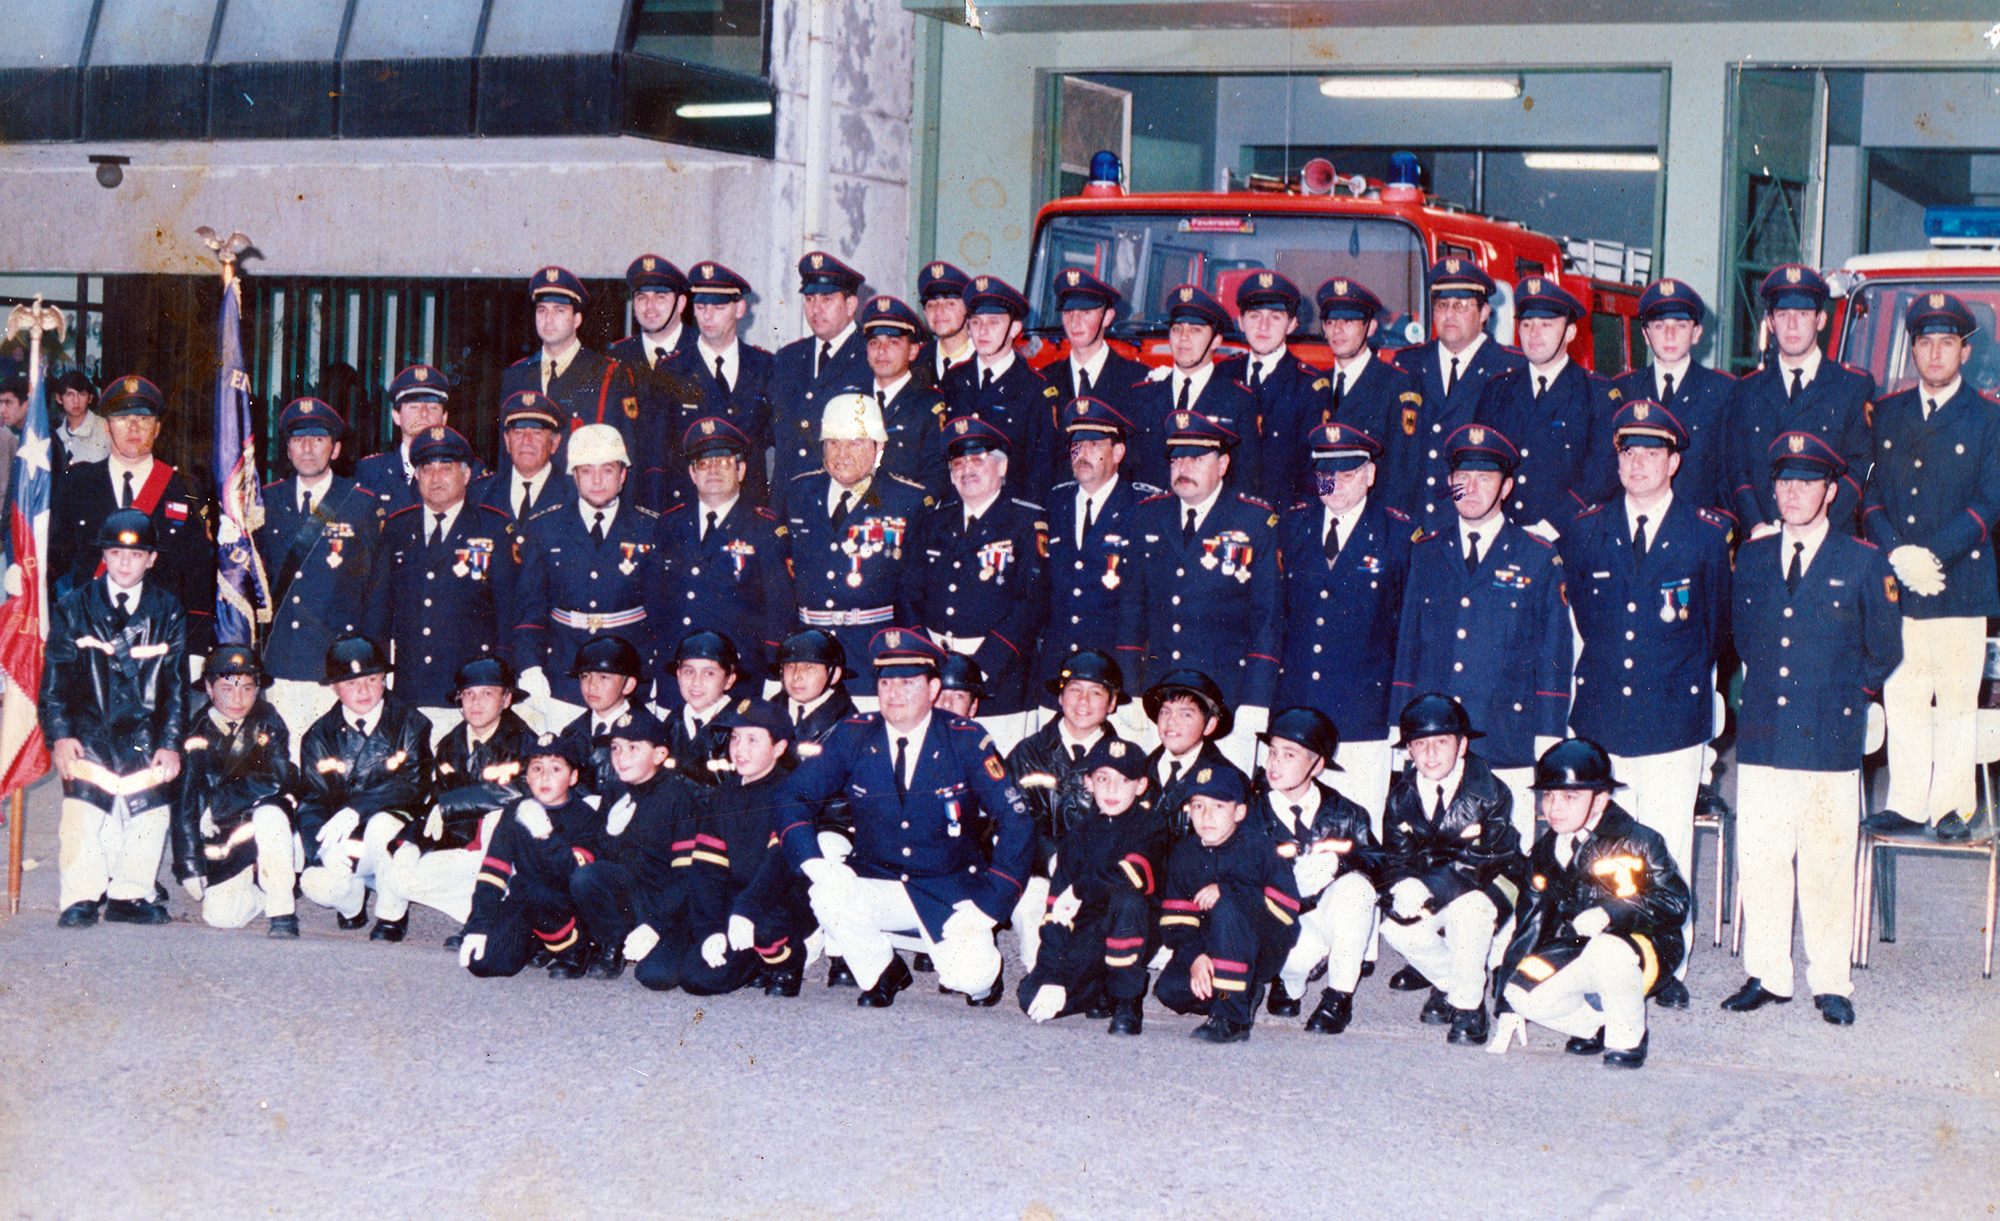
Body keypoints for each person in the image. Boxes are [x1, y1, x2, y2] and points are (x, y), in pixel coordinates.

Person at [1559, 400, 1733, 1007]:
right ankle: (1599, 956)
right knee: (1602, 848)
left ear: (1674, 461)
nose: (1637, 463)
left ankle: (1666, 966)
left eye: (1651, 452)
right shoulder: (1584, 531)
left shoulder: (1707, 534)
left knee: (1666, 848)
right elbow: (1584, 618)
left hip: (1671, 718)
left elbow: (1715, 631)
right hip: (1603, 716)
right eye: (1628, 452)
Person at [1725, 432, 1901, 1027]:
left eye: (1807, 482)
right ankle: (1769, 972)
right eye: (1784, 481)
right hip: (1765, 734)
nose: (1794, 492)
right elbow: (1741, 637)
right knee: (1763, 858)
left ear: (1830, 491)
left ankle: (1830, 980)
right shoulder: (1750, 557)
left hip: (1829, 735)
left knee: (1828, 861)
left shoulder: (1862, 560)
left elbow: (1884, 649)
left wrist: (1848, 697)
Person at [776, 629, 1035, 1008]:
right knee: (826, 892)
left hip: (949, 889)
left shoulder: (965, 739)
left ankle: (982, 977)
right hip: (877, 878)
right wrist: (814, 862)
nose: (894, 694)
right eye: (885, 683)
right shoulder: (854, 735)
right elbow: (792, 795)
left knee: (971, 980)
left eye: (908, 683)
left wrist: (990, 905)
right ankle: (882, 971)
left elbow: (1016, 821)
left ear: (933, 690)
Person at [1861, 291, 2000, 843]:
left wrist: (1931, 554)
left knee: (1957, 703)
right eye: (1925, 343)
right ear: (1913, 350)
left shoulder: (1989, 418)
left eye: (1947, 344)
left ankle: (1953, 809)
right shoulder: (1888, 413)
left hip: (1959, 581)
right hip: (1898, 581)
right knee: (1905, 696)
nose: (1936, 354)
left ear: (1965, 353)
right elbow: (1868, 492)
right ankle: (1908, 801)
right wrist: (1897, 551)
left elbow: (1991, 502)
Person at [1393, 423, 1570, 842]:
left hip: (1504, 738)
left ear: (1506, 486)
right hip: (1432, 742)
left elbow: (1553, 654)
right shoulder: (1427, 552)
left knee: (1507, 860)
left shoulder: (1536, 556)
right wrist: (1397, 728)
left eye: (1485, 478)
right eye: (1461, 479)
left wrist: (1547, 737)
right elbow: (1408, 643)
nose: (1470, 489)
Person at [1491, 739, 1691, 1069]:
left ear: (1601, 798)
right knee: (1519, 993)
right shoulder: (1544, 853)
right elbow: (1529, 928)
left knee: (1608, 950)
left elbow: (1675, 902)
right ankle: (1595, 1025)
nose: (1554, 807)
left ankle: (1627, 1038)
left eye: (1570, 797)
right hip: (1579, 947)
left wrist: (1612, 911)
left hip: (1646, 946)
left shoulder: (1638, 839)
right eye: (1549, 795)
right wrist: (1507, 1006)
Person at [43, 509, 189, 928]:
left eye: (136, 554)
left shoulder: (168, 611)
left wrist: (170, 743)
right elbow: (53, 682)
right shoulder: (74, 608)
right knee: (82, 815)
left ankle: (130, 894)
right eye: (115, 553)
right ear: (103, 556)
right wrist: (60, 735)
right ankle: (80, 897)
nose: (125, 563)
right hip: (90, 733)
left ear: (151, 559)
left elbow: (176, 686)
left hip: (145, 736)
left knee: (150, 814)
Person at [1118, 410, 1280, 772]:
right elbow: (1132, 610)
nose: (1182, 467)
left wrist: (1256, 700)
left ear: (1223, 464)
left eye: (1196, 457)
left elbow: (1267, 619)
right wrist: (1130, 687)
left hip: (1224, 698)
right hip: (1158, 698)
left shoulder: (1254, 521)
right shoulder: (1148, 515)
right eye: (1176, 458)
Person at [1275, 421, 1411, 824]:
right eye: (1324, 474)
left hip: (1362, 713)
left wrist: (1395, 715)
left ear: (1370, 475)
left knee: (1361, 829)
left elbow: (1406, 631)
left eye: (1346, 474)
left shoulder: (1399, 535)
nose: (1333, 485)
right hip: (1297, 707)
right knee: (1291, 824)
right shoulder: (1291, 526)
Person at [1375, 693, 1523, 1046]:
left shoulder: (1491, 792)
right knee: (1396, 929)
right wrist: (1402, 887)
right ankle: (1449, 984)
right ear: (1408, 750)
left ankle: (1469, 1008)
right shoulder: (1400, 797)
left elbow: (1487, 857)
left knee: (1468, 913)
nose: (1430, 754)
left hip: (1490, 883)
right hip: (1434, 886)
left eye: (1441, 742)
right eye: (1419, 744)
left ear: (1462, 745)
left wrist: (1427, 888)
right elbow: (1397, 857)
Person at [903, 416, 1049, 752]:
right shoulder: (934, 523)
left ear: (1002, 467)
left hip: (998, 681)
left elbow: (1031, 605)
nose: (967, 469)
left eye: (978, 460)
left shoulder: (1026, 522)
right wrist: (928, 663)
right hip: (938, 678)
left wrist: (982, 668)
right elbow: (908, 596)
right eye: (958, 463)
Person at [644, 697, 809, 996]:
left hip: (777, 899)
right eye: (734, 738)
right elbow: (707, 870)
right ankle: (752, 960)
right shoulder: (723, 794)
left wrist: (745, 911)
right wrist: (709, 930)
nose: (739, 750)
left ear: (779, 748)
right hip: (734, 903)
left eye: (752, 740)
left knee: (768, 926)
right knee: (696, 979)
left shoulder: (790, 793)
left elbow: (777, 867)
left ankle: (786, 963)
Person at [782, 391, 936, 702]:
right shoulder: (798, 492)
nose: (842, 454)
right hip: (807, 659)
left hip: (870, 658)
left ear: (879, 447)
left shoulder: (907, 500)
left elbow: (914, 593)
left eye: (855, 442)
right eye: (834, 442)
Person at [255, 396, 389, 751]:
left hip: (335, 666)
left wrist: (365, 665)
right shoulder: (265, 502)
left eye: (318, 439)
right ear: (288, 449)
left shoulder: (360, 504)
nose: (308, 449)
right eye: (299, 440)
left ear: (335, 448)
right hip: (279, 662)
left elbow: (375, 591)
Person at [372, 657, 537, 945]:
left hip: (510, 848)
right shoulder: (450, 745)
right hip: (462, 842)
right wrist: (411, 842)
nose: (476, 703)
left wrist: (452, 805)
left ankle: (482, 921)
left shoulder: (524, 741)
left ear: (506, 699)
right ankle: (396, 917)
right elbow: (436, 800)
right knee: (400, 872)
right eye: (468, 694)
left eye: (487, 693)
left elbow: (525, 789)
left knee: (499, 817)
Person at [49, 374, 215, 656]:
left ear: (158, 428)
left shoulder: (185, 489)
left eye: (144, 418)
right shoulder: (78, 482)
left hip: (159, 640)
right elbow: (56, 554)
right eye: (123, 418)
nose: (134, 427)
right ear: (106, 427)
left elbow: (200, 575)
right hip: (90, 637)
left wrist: (196, 650)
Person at [512, 424, 665, 727]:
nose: (597, 481)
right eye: (587, 471)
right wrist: (531, 669)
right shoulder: (545, 527)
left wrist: (657, 672)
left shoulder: (651, 528)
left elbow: (661, 613)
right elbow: (530, 609)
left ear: (623, 476)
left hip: (629, 676)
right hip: (564, 672)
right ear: (574, 475)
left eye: (607, 470)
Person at [365, 425, 512, 736]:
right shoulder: (397, 529)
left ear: (466, 474)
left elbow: (508, 615)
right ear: (416, 475)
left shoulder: (493, 529)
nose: (435, 478)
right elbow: (378, 612)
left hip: (470, 691)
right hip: (410, 689)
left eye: (446, 469)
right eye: (426, 468)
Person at [1016, 736, 1169, 1035]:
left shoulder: (1151, 824)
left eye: (1124, 780)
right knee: (1030, 996)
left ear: (1140, 786)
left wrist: (1079, 890)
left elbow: (1131, 874)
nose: (1112, 789)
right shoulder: (1077, 836)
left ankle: (1126, 1000)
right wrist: (1054, 978)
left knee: (1127, 900)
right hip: (1090, 931)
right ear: (1088, 782)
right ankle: (1100, 990)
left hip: (1135, 926)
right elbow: (1055, 910)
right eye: (1103, 778)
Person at [1035, 398, 1157, 741]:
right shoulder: (1054, 503)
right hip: (1059, 674)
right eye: (1076, 446)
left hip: (1115, 676)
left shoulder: (1144, 507)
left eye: (1094, 445)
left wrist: (1132, 680)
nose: (1082, 454)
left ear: (1118, 452)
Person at [295, 635, 434, 936]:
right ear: (333, 687)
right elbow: (313, 798)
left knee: (383, 825)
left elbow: (412, 784)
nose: (363, 690)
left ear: (384, 679)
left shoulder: (411, 723)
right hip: (346, 838)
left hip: (391, 834)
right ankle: (351, 904)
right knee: (317, 883)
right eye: (351, 683)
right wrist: (322, 849)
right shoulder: (319, 736)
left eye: (371, 679)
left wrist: (356, 808)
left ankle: (391, 914)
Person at [1255, 707, 1381, 1034]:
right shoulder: (1251, 812)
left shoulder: (1346, 813)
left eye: (1289, 754)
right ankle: (1289, 984)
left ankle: (1339, 996)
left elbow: (1380, 862)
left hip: (1328, 913)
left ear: (1317, 765)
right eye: (1272, 752)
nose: (1275, 763)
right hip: (1279, 917)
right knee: (1291, 959)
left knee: (1357, 889)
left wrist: (1342, 864)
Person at [1155, 764, 1301, 1043]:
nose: (1206, 816)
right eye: (1197, 806)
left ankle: (1231, 1018)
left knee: (1227, 906)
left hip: (1260, 946)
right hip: (1211, 947)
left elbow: (1287, 910)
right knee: (1172, 989)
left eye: (1219, 806)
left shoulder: (1261, 849)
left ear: (1240, 812)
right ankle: (1237, 993)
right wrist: (1196, 957)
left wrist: (1231, 891)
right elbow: (1177, 919)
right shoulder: (1185, 852)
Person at [1004, 649, 1132, 967]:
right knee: (1035, 924)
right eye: (1074, 690)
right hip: (1040, 873)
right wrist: (1052, 858)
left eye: (1096, 693)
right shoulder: (1028, 753)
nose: (1083, 702)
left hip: (1099, 877)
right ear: (1060, 698)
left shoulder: (1128, 759)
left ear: (1112, 703)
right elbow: (1017, 820)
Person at [1727, 264, 1874, 535]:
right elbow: (1738, 471)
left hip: (1828, 542)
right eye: (1783, 314)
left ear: (1820, 320)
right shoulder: (1747, 391)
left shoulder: (1851, 387)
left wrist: (1815, 528)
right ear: (1770, 323)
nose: (1792, 325)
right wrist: (1757, 526)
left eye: (1803, 314)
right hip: (1764, 540)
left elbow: (1859, 471)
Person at [1472, 276, 1620, 535]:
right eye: (1526, 324)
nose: (1534, 334)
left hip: (1567, 540)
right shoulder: (1497, 390)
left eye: (1547, 325)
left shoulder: (1597, 394)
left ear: (1570, 332)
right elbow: (1479, 462)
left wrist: (1549, 528)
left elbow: (1601, 476)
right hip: (1502, 536)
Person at [170, 644, 298, 937]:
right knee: (223, 917)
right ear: (208, 688)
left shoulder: (268, 721)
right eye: (227, 688)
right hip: (228, 836)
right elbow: (186, 801)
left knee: (271, 815)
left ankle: (282, 910)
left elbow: (276, 776)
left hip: (263, 821)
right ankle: (261, 893)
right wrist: (189, 864)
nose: (238, 699)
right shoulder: (196, 732)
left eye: (247, 688)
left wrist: (217, 804)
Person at [568, 706, 701, 983]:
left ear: (660, 755)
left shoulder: (679, 795)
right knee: (586, 877)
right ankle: (612, 942)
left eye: (633, 748)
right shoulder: (616, 790)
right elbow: (599, 853)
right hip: (629, 895)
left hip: (667, 901)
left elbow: (686, 875)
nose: (620, 758)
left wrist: (655, 925)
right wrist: (609, 833)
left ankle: (673, 941)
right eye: (615, 748)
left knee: (657, 977)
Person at [1392, 259, 1526, 532]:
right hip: (1414, 531)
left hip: (1476, 530)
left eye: (1461, 305)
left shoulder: (1512, 368)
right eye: (1442, 305)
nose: (1449, 314)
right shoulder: (1408, 364)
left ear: (1484, 311)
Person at [655, 417, 793, 679]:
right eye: (704, 463)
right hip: (676, 674)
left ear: (741, 471)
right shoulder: (668, 525)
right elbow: (655, 602)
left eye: (724, 462)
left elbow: (780, 610)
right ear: (692, 473)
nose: (713, 470)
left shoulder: (765, 529)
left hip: (738, 676)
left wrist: (774, 676)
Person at [458, 732, 602, 978]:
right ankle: (540, 942)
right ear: (526, 776)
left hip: (566, 907)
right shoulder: (517, 810)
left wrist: (545, 835)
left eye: (556, 769)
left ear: (573, 777)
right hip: (526, 901)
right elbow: (493, 873)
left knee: (539, 895)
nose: (544, 777)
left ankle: (575, 949)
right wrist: (478, 925)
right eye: (536, 769)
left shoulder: (586, 816)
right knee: (481, 963)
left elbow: (575, 874)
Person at [498, 267, 642, 475]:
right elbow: (506, 454)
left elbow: (625, 457)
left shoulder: (608, 374)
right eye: (542, 310)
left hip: (580, 500)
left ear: (577, 320)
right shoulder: (516, 375)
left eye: (559, 310)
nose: (548, 319)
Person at [1611, 278, 1735, 514]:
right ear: (1646, 335)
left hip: (1696, 533)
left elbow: (1730, 477)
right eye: (1659, 326)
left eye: (1680, 325)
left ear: (1697, 333)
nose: (1669, 335)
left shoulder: (1722, 391)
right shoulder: (1622, 390)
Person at [1123, 286, 1258, 493]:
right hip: (1148, 519)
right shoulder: (1141, 395)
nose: (1183, 338)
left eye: (1195, 329)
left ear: (1216, 341)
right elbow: (1125, 474)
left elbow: (1245, 480)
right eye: (1177, 328)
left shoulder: (1238, 400)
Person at [940, 275, 1062, 499]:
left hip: (1009, 516)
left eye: (994, 322)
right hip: (956, 511)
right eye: (976, 322)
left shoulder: (1036, 388)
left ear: (1015, 328)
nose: (983, 331)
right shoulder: (954, 379)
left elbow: (1041, 471)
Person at [1218, 271, 1332, 509]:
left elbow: (1322, 468)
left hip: (1285, 523)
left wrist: (1313, 523)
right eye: (1254, 315)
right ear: (1240, 321)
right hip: (1226, 518)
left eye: (1275, 317)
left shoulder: (1311, 386)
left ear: (1292, 324)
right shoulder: (1223, 375)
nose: (1263, 326)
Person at [1312, 276, 1423, 516]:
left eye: (1349, 321)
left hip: (1371, 522)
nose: (1338, 330)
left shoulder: (1397, 385)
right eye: (1331, 322)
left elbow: (1402, 471)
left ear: (1371, 327)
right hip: (1322, 518)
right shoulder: (1313, 385)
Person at [770, 252, 870, 514]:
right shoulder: (788, 358)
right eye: (810, 299)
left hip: (842, 505)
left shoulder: (870, 356)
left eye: (827, 299)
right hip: (790, 504)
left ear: (851, 305)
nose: (816, 309)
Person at [604, 253, 697, 510]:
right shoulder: (615, 359)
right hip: (630, 502)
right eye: (641, 297)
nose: (650, 307)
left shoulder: (701, 352)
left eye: (660, 297)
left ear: (680, 303)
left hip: (689, 502)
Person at [682, 260, 774, 507]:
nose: (708, 316)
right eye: (700, 307)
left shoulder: (765, 367)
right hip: (692, 507)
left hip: (750, 507)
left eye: (719, 307)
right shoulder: (672, 370)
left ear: (740, 308)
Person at [356, 364, 487, 512]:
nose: (424, 413)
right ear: (396, 416)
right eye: (414, 407)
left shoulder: (470, 471)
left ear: (444, 418)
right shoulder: (371, 471)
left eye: (432, 407)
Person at [857, 294, 949, 497]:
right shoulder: (852, 400)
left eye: (892, 342)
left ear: (913, 351)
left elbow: (935, 481)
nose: (881, 351)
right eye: (874, 343)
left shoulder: (930, 406)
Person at [1140, 669, 1241, 836]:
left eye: (1186, 714)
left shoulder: (1230, 781)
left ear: (1208, 725)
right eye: (1165, 712)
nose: (1171, 721)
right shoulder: (1136, 771)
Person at [1042, 269, 1146, 420]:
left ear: (1107, 318)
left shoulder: (1137, 380)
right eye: (1067, 312)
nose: (1074, 322)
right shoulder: (1045, 379)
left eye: (1085, 312)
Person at [556, 635, 648, 796]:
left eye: (604, 677)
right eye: (585, 676)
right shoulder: (571, 733)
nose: (592, 686)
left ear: (628, 685)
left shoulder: (647, 732)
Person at [468, 391, 568, 526]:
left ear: (555, 442)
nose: (526, 441)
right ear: (507, 440)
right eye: (519, 432)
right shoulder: (480, 493)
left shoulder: (574, 494)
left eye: (537, 433)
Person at [663, 629, 740, 784]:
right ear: (678, 675)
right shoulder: (669, 724)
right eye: (689, 671)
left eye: (709, 673)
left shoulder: (738, 726)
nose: (696, 682)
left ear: (729, 680)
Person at [773, 628, 857, 747]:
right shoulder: (767, 710)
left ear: (833, 675)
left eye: (808, 667)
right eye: (790, 665)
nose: (796, 675)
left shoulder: (848, 723)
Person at [914, 260, 974, 385]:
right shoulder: (916, 359)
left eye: (950, 303)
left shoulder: (987, 360)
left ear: (969, 310)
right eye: (931, 305)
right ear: (924, 313)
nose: (939, 311)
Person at [52, 368, 109, 479]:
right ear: (59, 398)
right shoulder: (56, 436)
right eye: (70, 394)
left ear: (90, 398)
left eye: (81, 394)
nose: (76, 401)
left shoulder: (106, 428)